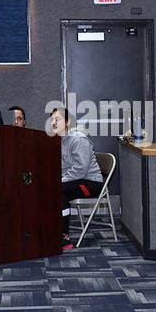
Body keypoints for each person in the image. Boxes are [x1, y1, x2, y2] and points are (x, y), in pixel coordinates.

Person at [49, 106, 103, 248]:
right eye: (52, 119)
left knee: (58, 189)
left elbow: (80, 170)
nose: (53, 122)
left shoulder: (78, 139)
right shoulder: (60, 141)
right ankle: (51, 231)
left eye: (57, 119)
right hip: (76, 180)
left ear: (67, 122)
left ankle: (64, 237)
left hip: (92, 183)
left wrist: (59, 180)